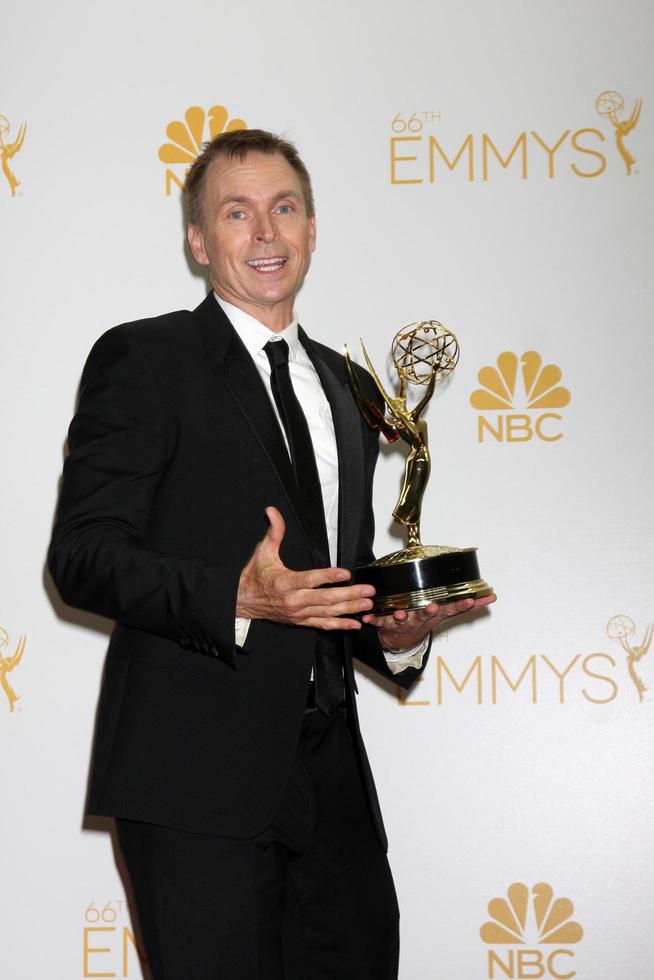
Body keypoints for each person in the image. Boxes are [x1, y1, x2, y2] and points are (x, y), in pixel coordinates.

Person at [48, 129, 495, 979]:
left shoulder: (344, 385)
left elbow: (333, 580)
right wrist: (237, 598)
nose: (264, 232)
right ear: (198, 241)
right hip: (192, 780)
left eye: (283, 208)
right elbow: (82, 556)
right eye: (236, 212)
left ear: (314, 229)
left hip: (332, 784)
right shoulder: (145, 359)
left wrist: (394, 630)